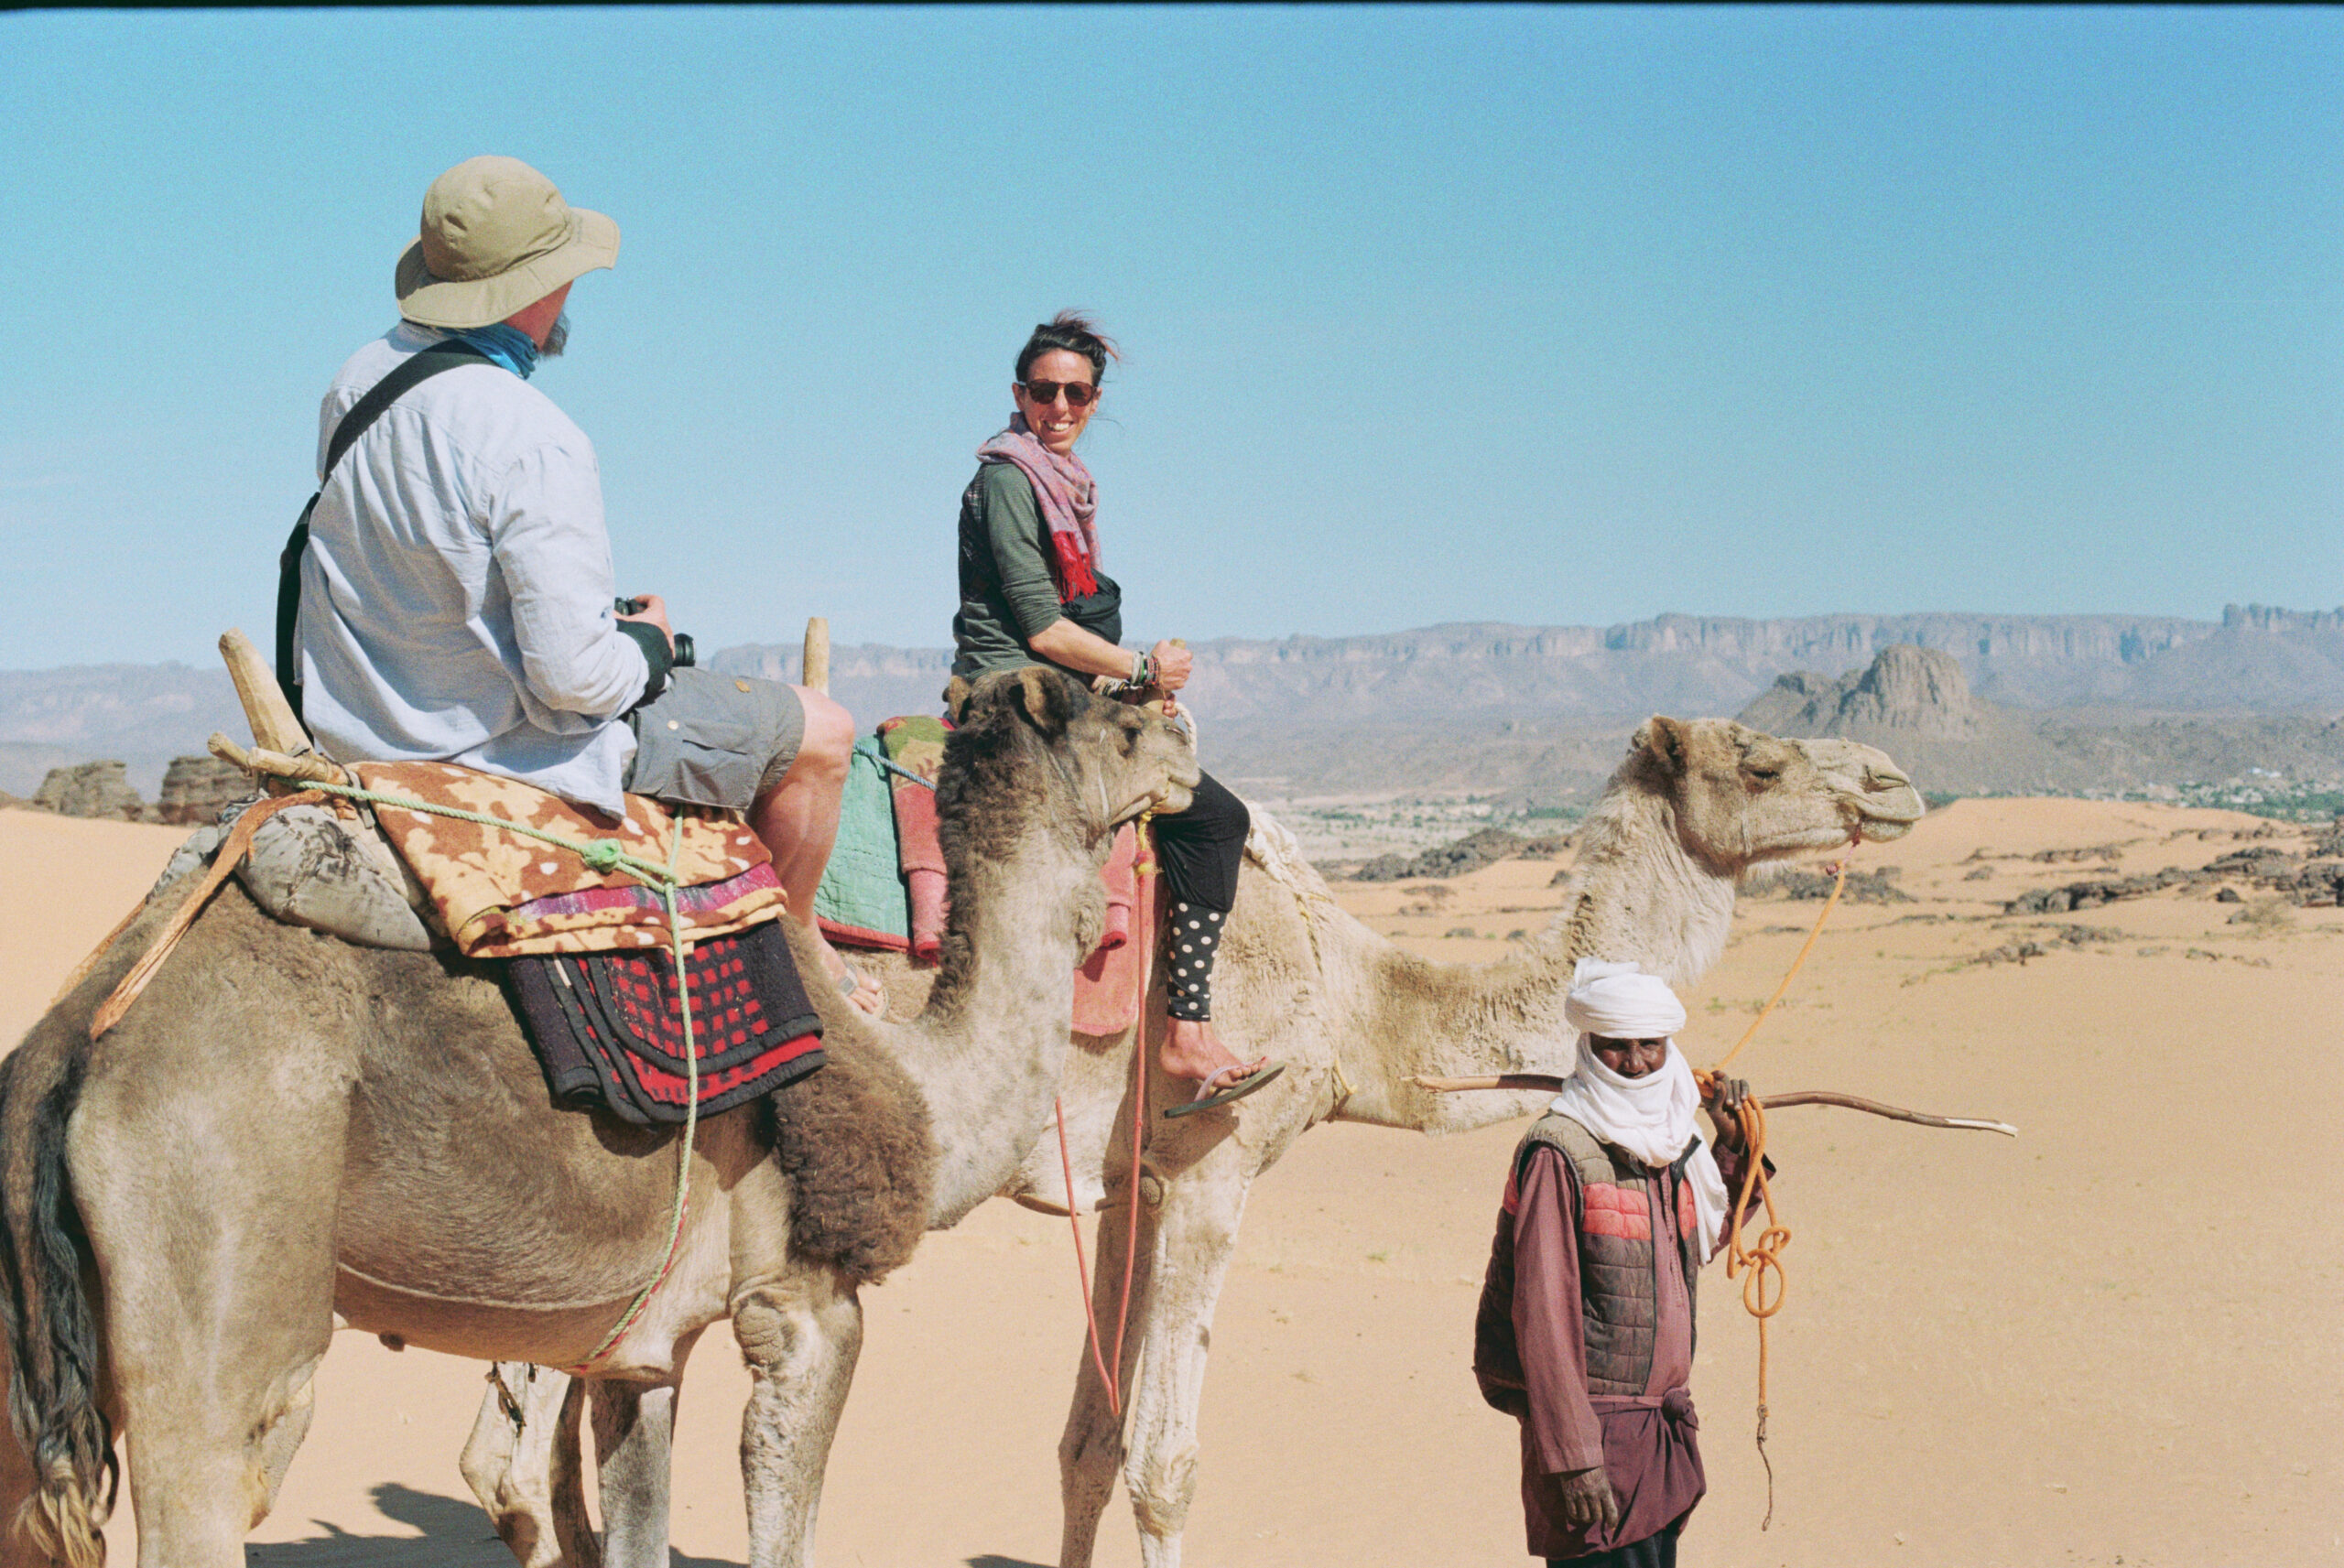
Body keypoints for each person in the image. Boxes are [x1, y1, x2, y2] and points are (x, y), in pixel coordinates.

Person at [291, 154, 881, 1012]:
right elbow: (572, 684)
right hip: (502, 745)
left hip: (362, 724)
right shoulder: (534, 435)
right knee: (826, 731)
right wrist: (644, 641)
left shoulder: (356, 382)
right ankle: (801, 959)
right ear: (534, 288)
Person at [950, 311, 1281, 1116]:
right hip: (1015, 698)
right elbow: (1038, 625)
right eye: (1043, 390)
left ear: (1095, 400)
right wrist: (1139, 668)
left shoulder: (1062, 484)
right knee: (1214, 819)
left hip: (1058, 692)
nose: (1058, 406)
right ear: (1018, 393)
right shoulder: (1007, 480)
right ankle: (1188, 1031)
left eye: (1076, 393)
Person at [1472, 959, 1766, 1567]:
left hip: (1657, 1445)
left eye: (1650, 1046)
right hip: (1595, 1450)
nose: (1635, 1062)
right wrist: (1574, 1458)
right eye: (1615, 1046)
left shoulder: (1669, 1142)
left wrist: (1734, 1143)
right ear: (1589, 1045)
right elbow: (1542, 1316)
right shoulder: (1561, 1149)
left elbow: (1689, 1251)